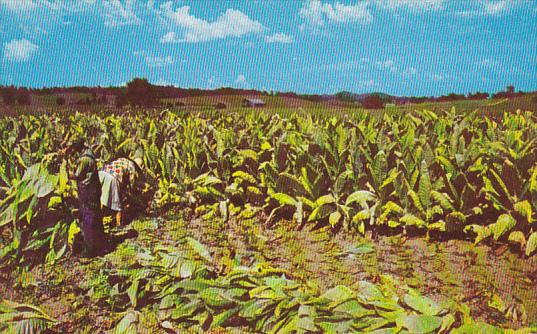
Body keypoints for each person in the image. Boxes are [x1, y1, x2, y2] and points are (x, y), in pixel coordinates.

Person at [61, 138, 104, 257]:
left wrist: (64, 167)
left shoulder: (84, 159)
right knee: (96, 217)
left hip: (88, 192)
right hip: (93, 189)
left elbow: (76, 176)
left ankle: (90, 250)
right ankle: (100, 244)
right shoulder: (89, 152)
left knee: (88, 219)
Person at [99, 157, 143, 227]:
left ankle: (97, 221)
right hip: (113, 177)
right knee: (118, 204)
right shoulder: (132, 166)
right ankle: (119, 224)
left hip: (102, 173)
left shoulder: (122, 159)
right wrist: (132, 194)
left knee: (101, 199)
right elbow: (132, 183)